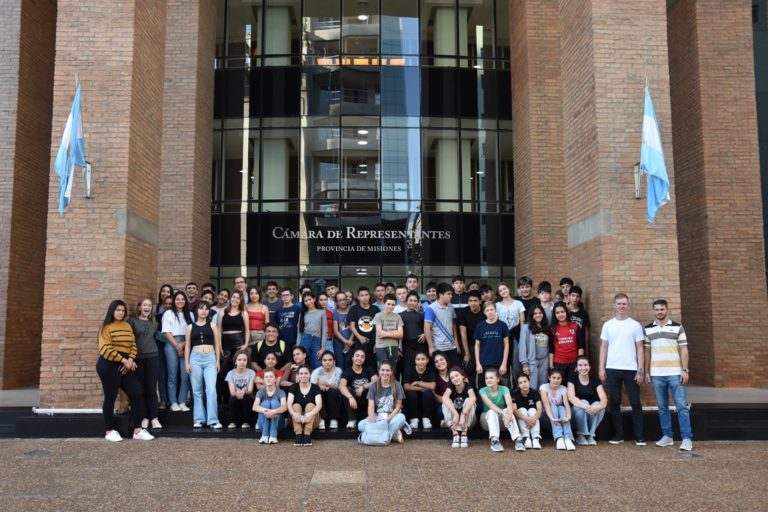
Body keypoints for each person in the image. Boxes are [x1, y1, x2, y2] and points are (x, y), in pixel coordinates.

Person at [97, 300, 155, 442]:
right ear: (112, 311)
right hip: (108, 364)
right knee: (110, 396)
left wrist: (130, 359)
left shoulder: (127, 325)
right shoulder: (106, 327)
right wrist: (124, 361)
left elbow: (133, 345)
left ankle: (137, 430)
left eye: (123, 310)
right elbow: (105, 348)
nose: (121, 312)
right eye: (118, 310)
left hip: (125, 363)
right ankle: (109, 431)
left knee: (136, 392)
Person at [643, 299, 693, 451]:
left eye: (662, 309)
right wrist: (646, 371)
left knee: (682, 407)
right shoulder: (648, 329)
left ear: (667, 310)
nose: (659, 312)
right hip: (657, 374)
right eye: (657, 309)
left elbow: (684, 349)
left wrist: (685, 370)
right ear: (654, 311)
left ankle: (686, 439)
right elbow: (646, 351)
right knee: (662, 407)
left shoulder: (678, 327)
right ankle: (667, 436)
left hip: (675, 373)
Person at [599, 293, 646, 446]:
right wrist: (602, 368)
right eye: (619, 303)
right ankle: (618, 434)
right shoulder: (608, 325)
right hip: (612, 368)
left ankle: (639, 436)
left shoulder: (635, 325)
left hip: (631, 369)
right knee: (615, 402)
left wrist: (641, 369)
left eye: (624, 303)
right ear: (614, 305)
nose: (621, 306)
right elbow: (604, 347)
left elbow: (640, 348)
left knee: (635, 402)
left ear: (628, 305)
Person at [185, 302, 222, 429]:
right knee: (197, 391)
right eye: (201, 308)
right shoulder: (190, 327)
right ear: (197, 311)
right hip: (195, 358)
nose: (204, 311)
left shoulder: (212, 326)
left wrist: (217, 361)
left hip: (210, 358)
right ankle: (199, 419)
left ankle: (213, 420)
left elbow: (217, 344)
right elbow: (188, 346)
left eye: (206, 309)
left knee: (211, 389)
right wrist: (186, 363)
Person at [129, 298, 162, 430]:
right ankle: (144, 417)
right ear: (139, 307)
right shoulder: (132, 321)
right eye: (144, 305)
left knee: (151, 388)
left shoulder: (154, 322)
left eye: (149, 305)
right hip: (137, 358)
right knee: (140, 389)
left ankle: (154, 418)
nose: (147, 307)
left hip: (153, 357)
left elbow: (160, 336)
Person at [358, 362, 407, 444]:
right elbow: (371, 406)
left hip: (392, 416)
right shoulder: (374, 386)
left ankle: (380, 433)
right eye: (382, 370)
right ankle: (391, 433)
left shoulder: (397, 385)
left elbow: (398, 406)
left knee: (402, 418)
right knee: (360, 425)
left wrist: (388, 419)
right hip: (378, 417)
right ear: (379, 371)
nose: (385, 373)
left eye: (387, 370)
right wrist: (371, 417)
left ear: (391, 372)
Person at [162, 290, 193, 412]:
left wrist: (184, 345)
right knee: (172, 375)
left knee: (185, 375)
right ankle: (173, 402)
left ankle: (182, 401)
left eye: (182, 299)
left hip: (186, 343)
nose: (180, 301)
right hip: (171, 343)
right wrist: (177, 346)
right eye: (178, 299)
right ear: (174, 301)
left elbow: (191, 331)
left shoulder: (190, 314)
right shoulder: (168, 313)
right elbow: (166, 332)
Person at [479, 368, 523, 452]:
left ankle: (517, 439)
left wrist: (508, 415)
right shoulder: (482, 390)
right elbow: (490, 405)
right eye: (486, 378)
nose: (488, 380)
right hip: (486, 420)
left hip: (502, 421)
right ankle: (494, 441)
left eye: (491, 378)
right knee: (492, 411)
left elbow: (509, 404)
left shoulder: (504, 389)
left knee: (508, 410)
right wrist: (505, 414)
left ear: (498, 379)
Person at [568, 356, 607, 446]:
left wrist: (598, 408)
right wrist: (586, 406)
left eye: (586, 365)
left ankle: (590, 436)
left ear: (589, 367)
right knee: (584, 402)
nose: (583, 368)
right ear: (577, 368)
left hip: (591, 413)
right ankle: (581, 435)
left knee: (598, 405)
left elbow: (604, 399)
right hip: (576, 414)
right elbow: (571, 398)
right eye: (580, 365)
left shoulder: (595, 381)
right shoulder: (572, 380)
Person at [217, 289, 249, 402]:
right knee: (223, 371)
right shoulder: (222, 312)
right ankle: (223, 399)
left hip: (239, 343)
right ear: (230, 298)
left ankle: (237, 397)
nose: (235, 299)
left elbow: (247, 330)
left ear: (241, 300)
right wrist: (219, 346)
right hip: (225, 343)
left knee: (237, 371)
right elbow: (219, 331)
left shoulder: (244, 313)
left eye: (237, 298)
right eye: (233, 297)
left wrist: (245, 344)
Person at [473, 301, 510, 386]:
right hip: (484, 363)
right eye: (487, 310)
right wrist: (478, 363)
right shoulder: (480, 326)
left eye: (491, 309)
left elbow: (506, 345)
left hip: (499, 363)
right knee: (483, 388)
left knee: (500, 388)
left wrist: (504, 363)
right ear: (484, 312)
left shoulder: (502, 325)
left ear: (495, 310)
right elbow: (477, 345)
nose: (490, 312)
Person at [340, 349, 378, 428]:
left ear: (364, 360)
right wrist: (350, 397)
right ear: (352, 358)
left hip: (367, 398)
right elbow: (341, 386)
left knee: (373, 388)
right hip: (353, 400)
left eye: (362, 357)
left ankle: (371, 415)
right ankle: (352, 419)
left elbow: (376, 380)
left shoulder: (369, 369)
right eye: (357, 356)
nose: (359, 358)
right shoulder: (347, 371)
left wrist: (364, 387)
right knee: (347, 389)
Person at [424, 283, 460, 366]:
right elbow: (426, 328)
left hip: (452, 346)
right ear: (440, 295)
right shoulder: (431, 308)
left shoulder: (450, 306)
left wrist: (456, 341)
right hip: (438, 348)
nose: (451, 296)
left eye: (451, 294)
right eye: (448, 294)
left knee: (455, 370)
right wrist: (431, 347)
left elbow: (453, 323)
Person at [549, 302, 585, 384]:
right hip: (558, 364)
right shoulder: (552, 329)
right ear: (554, 315)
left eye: (562, 312)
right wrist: (551, 366)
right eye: (557, 313)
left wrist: (579, 364)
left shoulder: (575, 326)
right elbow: (551, 349)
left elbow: (581, 346)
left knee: (572, 387)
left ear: (566, 312)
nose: (560, 314)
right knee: (561, 388)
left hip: (573, 364)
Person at [496, 282, 526, 380]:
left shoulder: (518, 303)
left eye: (504, 288)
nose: (503, 291)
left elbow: (522, 321)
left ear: (509, 289)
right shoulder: (497, 305)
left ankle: (517, 387)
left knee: (516, 363)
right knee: (503, 363)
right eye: (500, 290)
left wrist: (522, 337)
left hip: (516, 335)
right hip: (502, 336)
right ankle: (506, 387)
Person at [287, 366, 323, 446]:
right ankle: (298, 435)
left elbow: (319, 404)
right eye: (301, 373)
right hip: (295, 419)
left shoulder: (315, 387)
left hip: (311, 419)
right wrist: (293, 413)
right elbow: (289, 403)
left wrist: (310, 414)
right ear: (298, 375)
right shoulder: (293, 387)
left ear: (310, 375)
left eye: (306, 373)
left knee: (310, 405)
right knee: (295, 405)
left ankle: (307, 435)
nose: (303, 375)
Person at [540, 368, 575, 450]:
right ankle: (559, 437)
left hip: (559, 413)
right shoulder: (544, 387)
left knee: (562, 408)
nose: (556, 380)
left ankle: (568, 438)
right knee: (554, 406)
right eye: (554, 378)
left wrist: (568, 417)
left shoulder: (563, 388)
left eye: (558, 378)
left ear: (562, 379)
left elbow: (566, 403)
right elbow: (546, 405)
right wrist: (552, 418)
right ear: (549, 378)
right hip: (547, 414)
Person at [442, 367, 477, 448]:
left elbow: (473, 398)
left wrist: (463, 415)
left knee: (470, 400)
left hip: (468, 421)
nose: (455, 379)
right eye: (452, 378)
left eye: (457, 375)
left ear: (462, 376)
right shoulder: (451, 386)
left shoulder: (468, 385)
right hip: (455, 421)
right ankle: (455, 434)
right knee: (445, 401)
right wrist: (456, 414)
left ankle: (464, 433)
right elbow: (444, 397)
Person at [518, 304, 551, 389]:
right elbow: (522, 346)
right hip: (532, 362)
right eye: (535, 313)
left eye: (540, 313)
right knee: (533, 387)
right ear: (532, 315)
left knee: (543, 386)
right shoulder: (526, 328)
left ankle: (541, 402)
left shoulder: (546, 328)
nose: (538, 315)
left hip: (544, 360)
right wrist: (524, 364)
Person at [310, 352, 344, 430]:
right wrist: (319, 386)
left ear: (334, 361)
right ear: (321, 362)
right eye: (324, 360)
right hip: (321, 394)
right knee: (318, 392)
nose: (327, 362)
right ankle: (321, 419)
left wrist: (326, 384)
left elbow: (339, 386)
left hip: (335, 394)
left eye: (330, 360)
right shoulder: (317, 371)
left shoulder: (338, 371)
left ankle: (333, 419)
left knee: (331, 391)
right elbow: (311, 386)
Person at [252, 369, 287, 443]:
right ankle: (264, 435)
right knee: (265, 403)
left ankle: (273, 435)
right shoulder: (260, 392)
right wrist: (268, 412)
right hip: (263, 423)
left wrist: (273, 412)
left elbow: (284, 407)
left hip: (278, 424)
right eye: (266, 377)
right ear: (264, 380)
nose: (268, 378)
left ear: (275, 379)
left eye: (271, 376)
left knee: (274, 402)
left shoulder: (281, 392)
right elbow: (255, 407)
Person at [347, 286, 378, 368]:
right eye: (362, 295)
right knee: (359, 365)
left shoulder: (375, 309)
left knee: (372, 367)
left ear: (369, 296)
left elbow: (379, 327)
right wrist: (360, 337)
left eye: (366, 295)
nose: (364, 297)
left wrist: (377, 343)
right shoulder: (354, 309)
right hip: (359, 343)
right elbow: (352, 326)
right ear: (358, 297)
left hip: (373, 344)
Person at [403, 352, 436, 429]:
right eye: (418, 359)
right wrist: (423, 388)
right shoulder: (409, 370)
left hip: (426, 399)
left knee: (428, 394)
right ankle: (413, 419)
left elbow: (433, 386)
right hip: (413, 399)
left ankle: (426, 419)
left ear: (427, 360)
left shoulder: (430, 371)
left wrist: (418, 383)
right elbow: (406, 386)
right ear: (415, 361)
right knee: (411, 394)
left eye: (423, 359)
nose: (420, 362)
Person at [372, 294, 403, 374]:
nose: (390, 306)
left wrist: (386, 333)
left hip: (394, 346)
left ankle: (392, 386)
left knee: (393, 370)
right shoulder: (378, 315)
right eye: (388, 304)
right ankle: (381, 387)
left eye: (393, 304)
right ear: (384, 304)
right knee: (383, 370)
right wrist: (394, 332)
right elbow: (380, 334)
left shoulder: (397, 317)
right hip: (381, 347)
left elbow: (400, 334)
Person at [224, 349, 256, 429]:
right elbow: (232, 392)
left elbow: (250, 390)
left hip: (247, 395)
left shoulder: (251, 372)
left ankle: (246, 422)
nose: (242, 362)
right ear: (235, 361)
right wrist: (237, 393)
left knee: (247, 399)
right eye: (239, 360)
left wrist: (243, 393)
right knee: (232, 399)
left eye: (244, 360)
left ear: (247, 362)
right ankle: (233, 422)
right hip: (235, 395)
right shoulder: (230, 373)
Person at [154, 284, 173, 409]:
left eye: (168, 291)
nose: (165, 293)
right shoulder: (155, 308)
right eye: (163, 291)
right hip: (159, 343)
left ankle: (173, 399)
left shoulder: (176, 311)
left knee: (172, 373)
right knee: (162, 373)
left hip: (172, 344)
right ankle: (163, 400)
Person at [297, 292, 328, 370]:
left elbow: (325, 330)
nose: (308, 302)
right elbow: (299, 332)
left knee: (317, 365)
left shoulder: (321, 312)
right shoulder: (303, 313)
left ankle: (315, 382)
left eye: (310, 299)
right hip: (305, 339)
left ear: (314, 299)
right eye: (306, 301)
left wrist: (323, 347)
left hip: (316, 341)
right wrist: (298, 347)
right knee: (303, 365)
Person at [511, 374, 542, 450]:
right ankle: (526, 437)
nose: (523, 384)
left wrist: (533, 419)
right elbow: (514, 410)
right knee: (522, 410)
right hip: (522, 417)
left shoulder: (535, 393)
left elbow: (540, 409)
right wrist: (526, 419)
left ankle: (535, 438)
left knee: (532, 410)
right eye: (520, 383)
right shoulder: (514, 394)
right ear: (518, 385)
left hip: (533, 417)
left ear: (529, 382)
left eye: (525, 381)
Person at [399, 291, 426, 378]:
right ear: (406, 301)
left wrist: (425, 334)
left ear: (418, 302)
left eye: (415, 301)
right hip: (406, 345)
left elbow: (428, 328)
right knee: (406, 368)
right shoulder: (399, 315)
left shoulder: (421, 315)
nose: (413, 303)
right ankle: (406, 389)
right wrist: (398, 348)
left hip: (419, 344)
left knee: (420, 368)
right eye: (410, 300)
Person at [458, 290, 485, 373]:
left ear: (480, 301)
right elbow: (463, 333)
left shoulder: (485, 312)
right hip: (469, 345)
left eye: (475, 301)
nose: (473, 303)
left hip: (483, 345)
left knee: (483, 369)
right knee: (469, 369)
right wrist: (466, 353)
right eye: (470, 301)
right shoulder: (463, 312)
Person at [567, 286, 591, 355]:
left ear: (580, 298)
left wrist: (587, 349)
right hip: (568, 345)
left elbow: (586, 331)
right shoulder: (564, 311)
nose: (575, 298)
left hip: (581, 346)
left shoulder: (584, 313)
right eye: (573, 295)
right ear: (569, 296)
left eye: (577, 296)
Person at [332, 290, 352, 371]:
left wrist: (349, 342)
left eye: (344, 299)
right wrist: (345, 342)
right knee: (340, 365)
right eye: (340, 300)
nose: (342, 302)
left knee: (349, 364)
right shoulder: (335, 313)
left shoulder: (352, 311)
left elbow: (354, 328)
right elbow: (335, 331)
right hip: (338, 343)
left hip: (351, 342)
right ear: (336, 302)